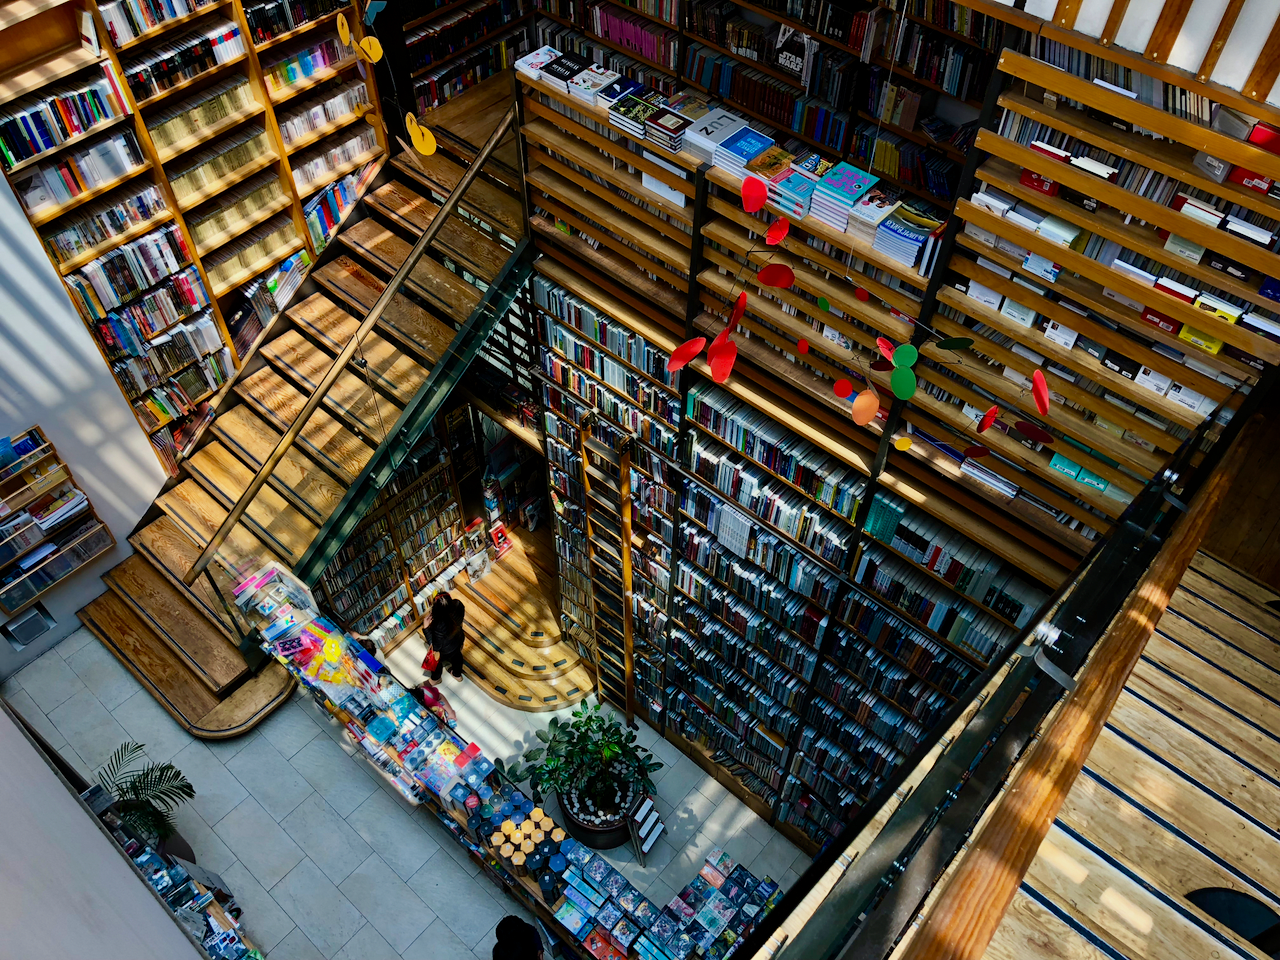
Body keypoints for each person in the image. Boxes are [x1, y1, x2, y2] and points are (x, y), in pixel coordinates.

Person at [427, 592, 467, 682]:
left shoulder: (438, 624)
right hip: (458, 640)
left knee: (436, 660)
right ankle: (457, 675)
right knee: (457, 656)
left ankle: (436, 678)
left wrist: (426, 628)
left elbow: (435, 647)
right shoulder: (458, 605)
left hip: (445, 649)